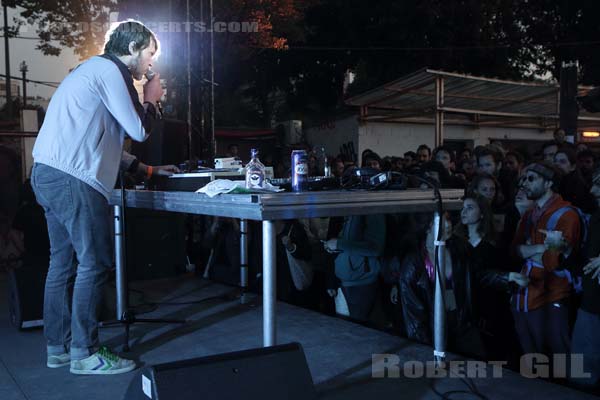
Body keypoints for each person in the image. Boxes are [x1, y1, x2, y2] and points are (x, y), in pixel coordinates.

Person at [30, 20, 169, 375]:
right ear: (135, 48)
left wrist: (148, 171)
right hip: (74, 181)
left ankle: (58, 348)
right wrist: (151, 99)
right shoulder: (112, 70)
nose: (149, 65)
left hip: (47, 174)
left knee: (62, 264)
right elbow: (139, 129)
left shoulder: (89, 72)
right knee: (94, 263)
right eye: (150, 55)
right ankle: (85, 353)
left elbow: (104, 139)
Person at [511, 162, 580, 358]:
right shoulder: (529, 214)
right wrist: (541, 249)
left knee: (558, 359)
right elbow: (513, 251)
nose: (524, 183)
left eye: (531, 179)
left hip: (553, 296)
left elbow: (553, 262)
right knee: (533, 359)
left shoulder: (566, 214)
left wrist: (529, 250)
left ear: (549, 183)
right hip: (526, 295)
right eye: (523, 179)